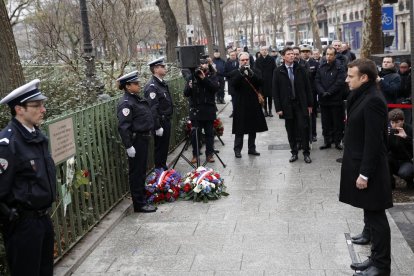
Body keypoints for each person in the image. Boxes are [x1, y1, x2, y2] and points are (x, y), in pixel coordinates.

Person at [339, 58, 392, 276]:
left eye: (351, 76)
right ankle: (375, 259)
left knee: (377, 218)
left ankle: (381, 266)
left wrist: (364, 174)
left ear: (364, 78)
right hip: (359, 163)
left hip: (370, 169)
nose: (347, 80)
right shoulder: (361, 95)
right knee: (371, 216)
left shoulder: (373, 100)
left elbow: (374, 141)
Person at [0, 79, 56, 276]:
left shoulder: (36, 136)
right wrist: (10, 217)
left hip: (42, 220)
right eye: (37, 105)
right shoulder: (8, 144)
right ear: (19, 109)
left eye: (42, 104)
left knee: (45, 271)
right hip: (23, 225)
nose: (43, 109)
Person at [117, 71, 157, 213]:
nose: (138, 85)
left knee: (141, 171)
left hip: (143, 139)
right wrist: (128, 146)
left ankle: (142, 198)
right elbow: (123, 127)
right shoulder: (126, 103)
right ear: (127, 86)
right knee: (137, 173)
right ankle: (139, 204)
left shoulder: (135, 99)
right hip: (136, 141)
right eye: (135, 83)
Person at [272, 47, 313, 163]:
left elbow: (308, 88)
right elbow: (275, 91)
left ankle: (306, 153)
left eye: (293, 54)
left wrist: (310, 104)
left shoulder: (301, 69)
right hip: (287, 106)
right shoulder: (278, 71)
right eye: (289, 54)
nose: (292, 56)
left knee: (304, 128)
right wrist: (278, 108)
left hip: (300, 104)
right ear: (283, 56)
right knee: (290, 130)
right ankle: (294, 152)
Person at [228, 52, 268, 158]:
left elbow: (261, 82)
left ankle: (252, 148)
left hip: (253, 103)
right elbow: (233, 86)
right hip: (240, 103)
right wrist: (240, 74)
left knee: (252, 127)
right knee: (239, 128)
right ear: (239, 61)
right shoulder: (234, 72)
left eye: (246, 59)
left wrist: (252, 75)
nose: (245, 61)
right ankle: (237, 149)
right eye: (242, 60)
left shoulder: (256, 71)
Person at [184, 59, 219, 164]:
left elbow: (215, 88)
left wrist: (204, 79)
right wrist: (190, 87)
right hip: (196, 110)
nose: (203, 65)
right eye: (201, 64)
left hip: (208, 110)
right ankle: (195, 154)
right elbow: (186, 93)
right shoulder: (192, 77)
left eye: (205, 63)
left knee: (209, 133)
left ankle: (209, 154)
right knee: (195, 134)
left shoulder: (212, 76)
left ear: (208, 65)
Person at [144, 57, 174, 170]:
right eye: (162, 66)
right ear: (155, 69)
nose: (165, 68)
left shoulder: (161, 83)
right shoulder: (152, 86)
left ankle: (163, 169)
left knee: (164, 147)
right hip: (160, 122)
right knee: (160, 148)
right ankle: (160, 172)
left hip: (166, 120)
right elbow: (152, 108)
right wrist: (157, 126)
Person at [315, 46, 346, 150]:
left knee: (337, 122)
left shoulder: (340, 67)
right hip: (324, 100)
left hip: (335, 99)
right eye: (327, 54)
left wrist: (329, 92)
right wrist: (322, 92)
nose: (328, 56)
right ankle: (327, 141)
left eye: (331, 54)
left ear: (335, 55)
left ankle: (338, 142)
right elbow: (317, 80)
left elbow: (340, 82)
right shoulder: (321, 66)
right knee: (325, 122)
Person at [387, 108, 413, 189]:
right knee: (384, 161)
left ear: (403, 121)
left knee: (405, 173)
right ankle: (390, 181)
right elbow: (386, 149)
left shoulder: (409, 129)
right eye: (392, 122)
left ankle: (410, 180)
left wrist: (406, 137)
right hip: (393, 159)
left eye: (397, 122)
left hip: (406, 160)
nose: (394, 125)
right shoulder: (389, 130)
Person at [300, 46, 320, 141]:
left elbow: (317, 79)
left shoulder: (315, 64)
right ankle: (305, 134)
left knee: (312, 114)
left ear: (310, 53)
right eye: (303, 51)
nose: (305, 53)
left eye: (307, 51)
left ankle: (313, 134)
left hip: (312, 93)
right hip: (301, 93)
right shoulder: (298, 63)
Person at [255, 46, 276, 117]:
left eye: (265, 50)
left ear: (267, 51)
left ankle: (270, 111)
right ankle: (265, 110)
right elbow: (256, 71)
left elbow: (274, 70)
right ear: (260, 51)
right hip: (261, 81)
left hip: (270, 80)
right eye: (262, 50)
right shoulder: (257, 60)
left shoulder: (271, 59)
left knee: (270, 97)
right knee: (263, 97)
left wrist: (273, 79)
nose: (264, 51)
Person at [224, 51, 239, 118]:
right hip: (231, 84)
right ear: (229, 56)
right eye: (231, 55)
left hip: (239, 83)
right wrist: (233, 73)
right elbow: (225, 73)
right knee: (233, 99)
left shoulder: (239, 62)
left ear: (236, 56)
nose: (233, 56)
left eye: (234, 55)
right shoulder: (227, 63)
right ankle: (234, 111)